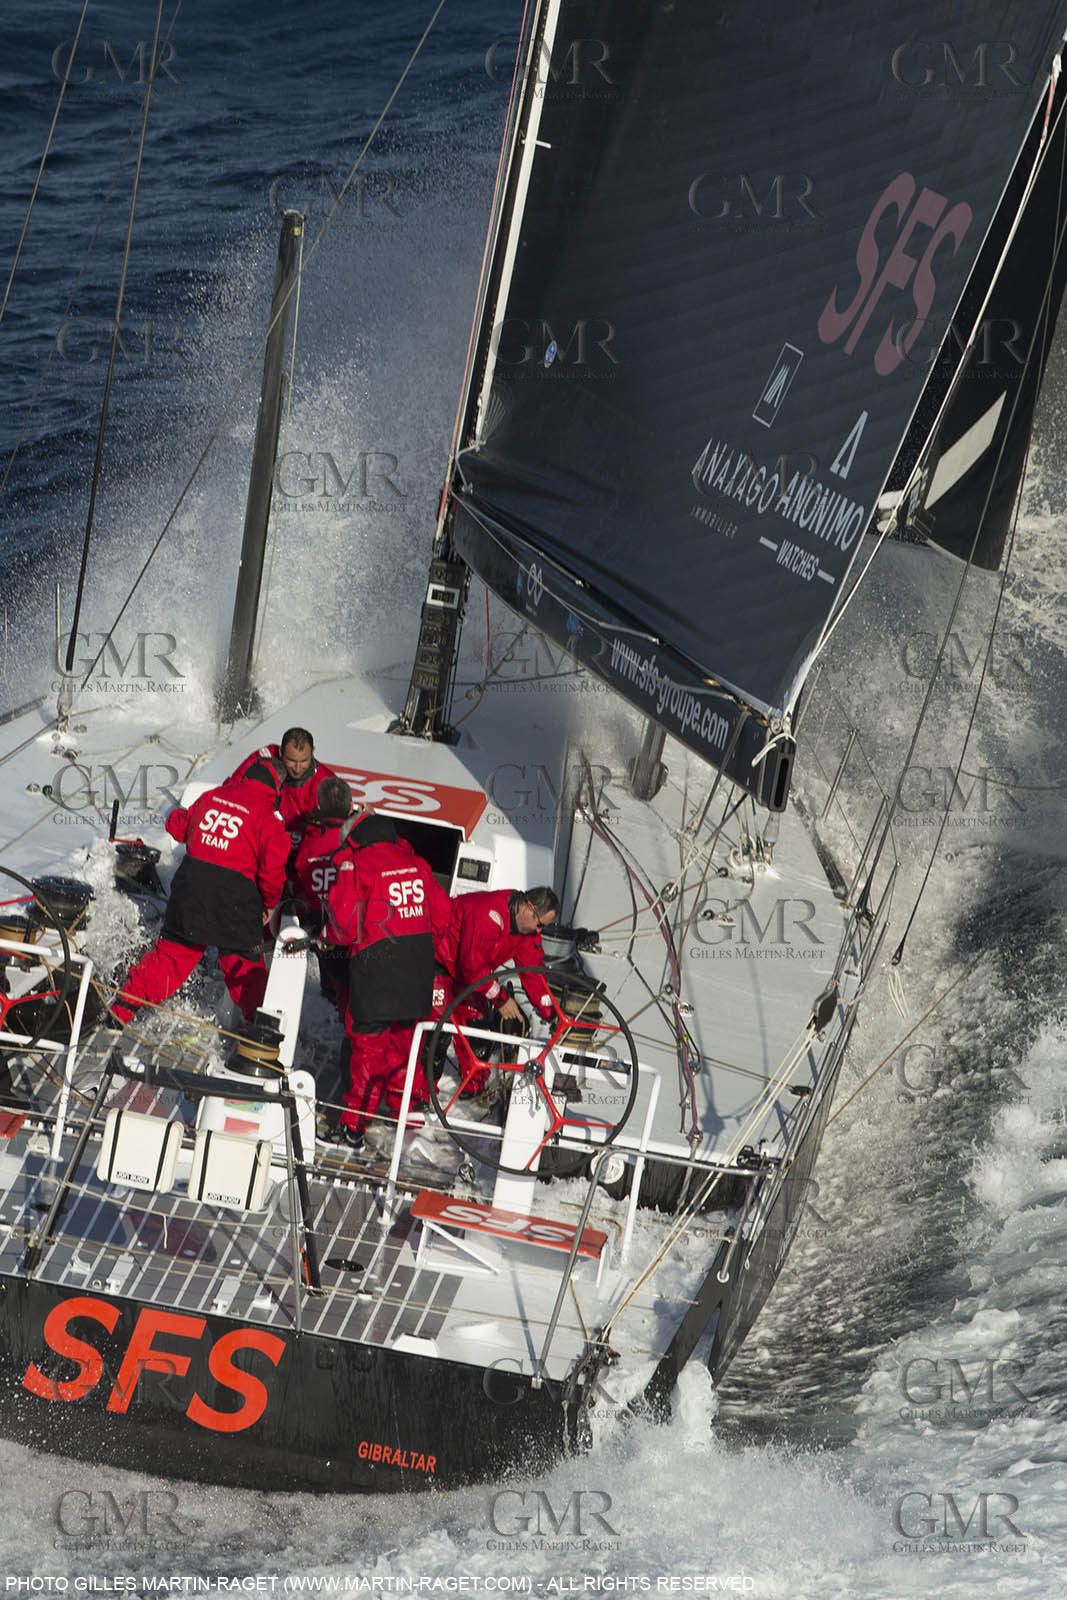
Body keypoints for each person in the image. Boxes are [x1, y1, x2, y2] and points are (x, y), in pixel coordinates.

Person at [110, 763, 290, 1027]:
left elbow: (176, 827)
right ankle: (262, 1036)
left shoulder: (212, 796)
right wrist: (270, 903)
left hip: (191, 892)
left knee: (168, 959)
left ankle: (119, 1014)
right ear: (275, 790)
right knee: (245, 969)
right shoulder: (269, 817)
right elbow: (273, 869)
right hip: (236, 903)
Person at [326, 809, 452, 1150]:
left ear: (356, 838)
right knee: (404, 1041)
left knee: (367, 1049)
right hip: (417, 968)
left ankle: (354, 1127)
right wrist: (422, 946)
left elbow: (342, 925)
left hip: (375, 969)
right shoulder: (418, 864)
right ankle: (406, 1107)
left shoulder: (359, 863)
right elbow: (442, 915)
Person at [437, 886, 559, 1095]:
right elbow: (472, 965)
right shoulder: (489, 914)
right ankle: (412, 1099)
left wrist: (551, 1011)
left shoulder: (526, 933)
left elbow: (533, 973)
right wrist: (501, 999)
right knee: (434, 1031)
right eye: (539, 924)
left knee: (478, 1025)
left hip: (469, 976)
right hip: (439, 960)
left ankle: (474, 1088)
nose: (539, 931)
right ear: (527, 909)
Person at [231, 727, 337, 836]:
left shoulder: (328, 784)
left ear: (313, 752)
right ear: (280, 752)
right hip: (262, 837)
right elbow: (230, 789)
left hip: (304, 846)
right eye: (291, 760)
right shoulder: (265, 757)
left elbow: (334, 833)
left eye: (304, 761)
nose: (297, 768)